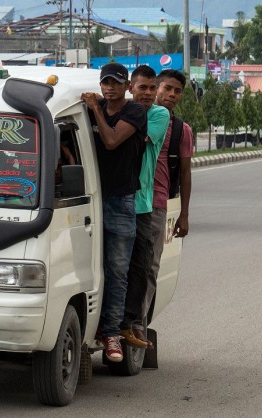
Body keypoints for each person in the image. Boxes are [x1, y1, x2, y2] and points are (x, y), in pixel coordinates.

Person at [81, 62, 147, 362]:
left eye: (116, 83)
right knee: (87, 269)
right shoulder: (87, 110)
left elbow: (110, 141)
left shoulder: (134, 112)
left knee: (117, 270)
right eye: (105, 82)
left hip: (120, 202)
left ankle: (111, 335)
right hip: (89, 200)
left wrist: (95, 109)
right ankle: (91, 328)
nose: (110, 87)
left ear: (127, 86)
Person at [133, 69, 192, 343]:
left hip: (156, 203)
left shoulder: (181, 129)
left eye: (177, 91)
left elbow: (185, 172)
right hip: (124, 199)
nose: (170, 95)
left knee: (149, 266)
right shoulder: (133, 112)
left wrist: (184, 215)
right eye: (167, 88)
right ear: (155, 87)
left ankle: (138, 324)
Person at [120, 65, 170, 348]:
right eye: (143, 88)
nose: (149, 93)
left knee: (140, 267)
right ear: (131, 87)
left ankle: (133, 323)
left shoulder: (159, 115)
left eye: (153, 88)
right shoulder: (122, 111)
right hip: (115, 199)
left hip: (141, 204)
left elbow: (131, 140)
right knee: (115, 266)